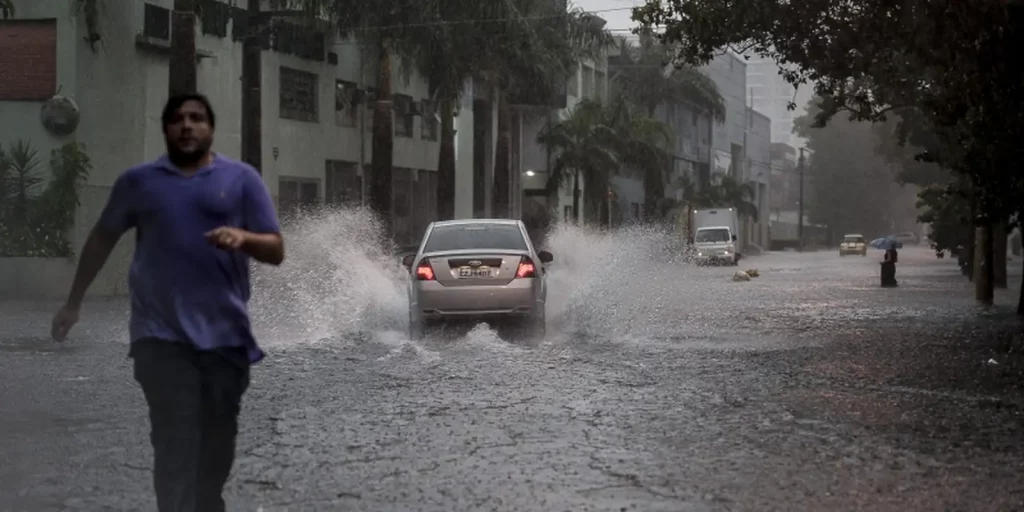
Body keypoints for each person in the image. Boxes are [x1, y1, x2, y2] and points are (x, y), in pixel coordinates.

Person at [50, 93, 284, 511]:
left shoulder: (242, 179)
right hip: (159, 338)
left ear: (211, 128)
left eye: (196, 118)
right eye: (177, 119)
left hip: (226, 340)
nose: (187, 126)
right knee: (174, 440)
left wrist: (243, 238)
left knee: (216, 447)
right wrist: (74, 302)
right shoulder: (138, 183)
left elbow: (276, 250)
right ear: (166, 129)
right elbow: (103, 237)